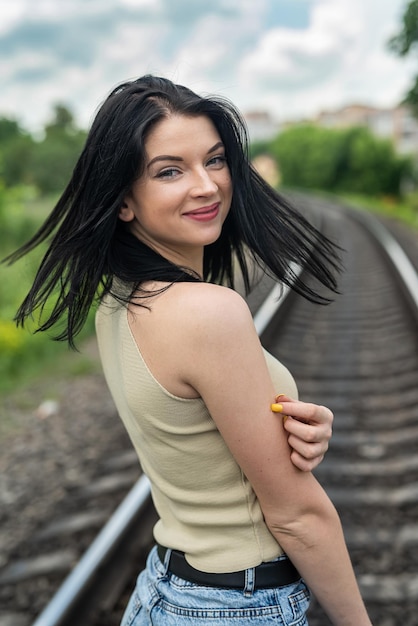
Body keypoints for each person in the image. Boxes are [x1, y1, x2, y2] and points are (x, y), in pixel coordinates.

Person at [5, 75, 371, 625]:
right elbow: (297, 515)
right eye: (169, 171)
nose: (206, 186)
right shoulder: (208, 312)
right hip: (237, 605)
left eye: (216, 160)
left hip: (168, 590)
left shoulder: (119, 300)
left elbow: (194, 441)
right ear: (124, 201)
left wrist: (290, 434)